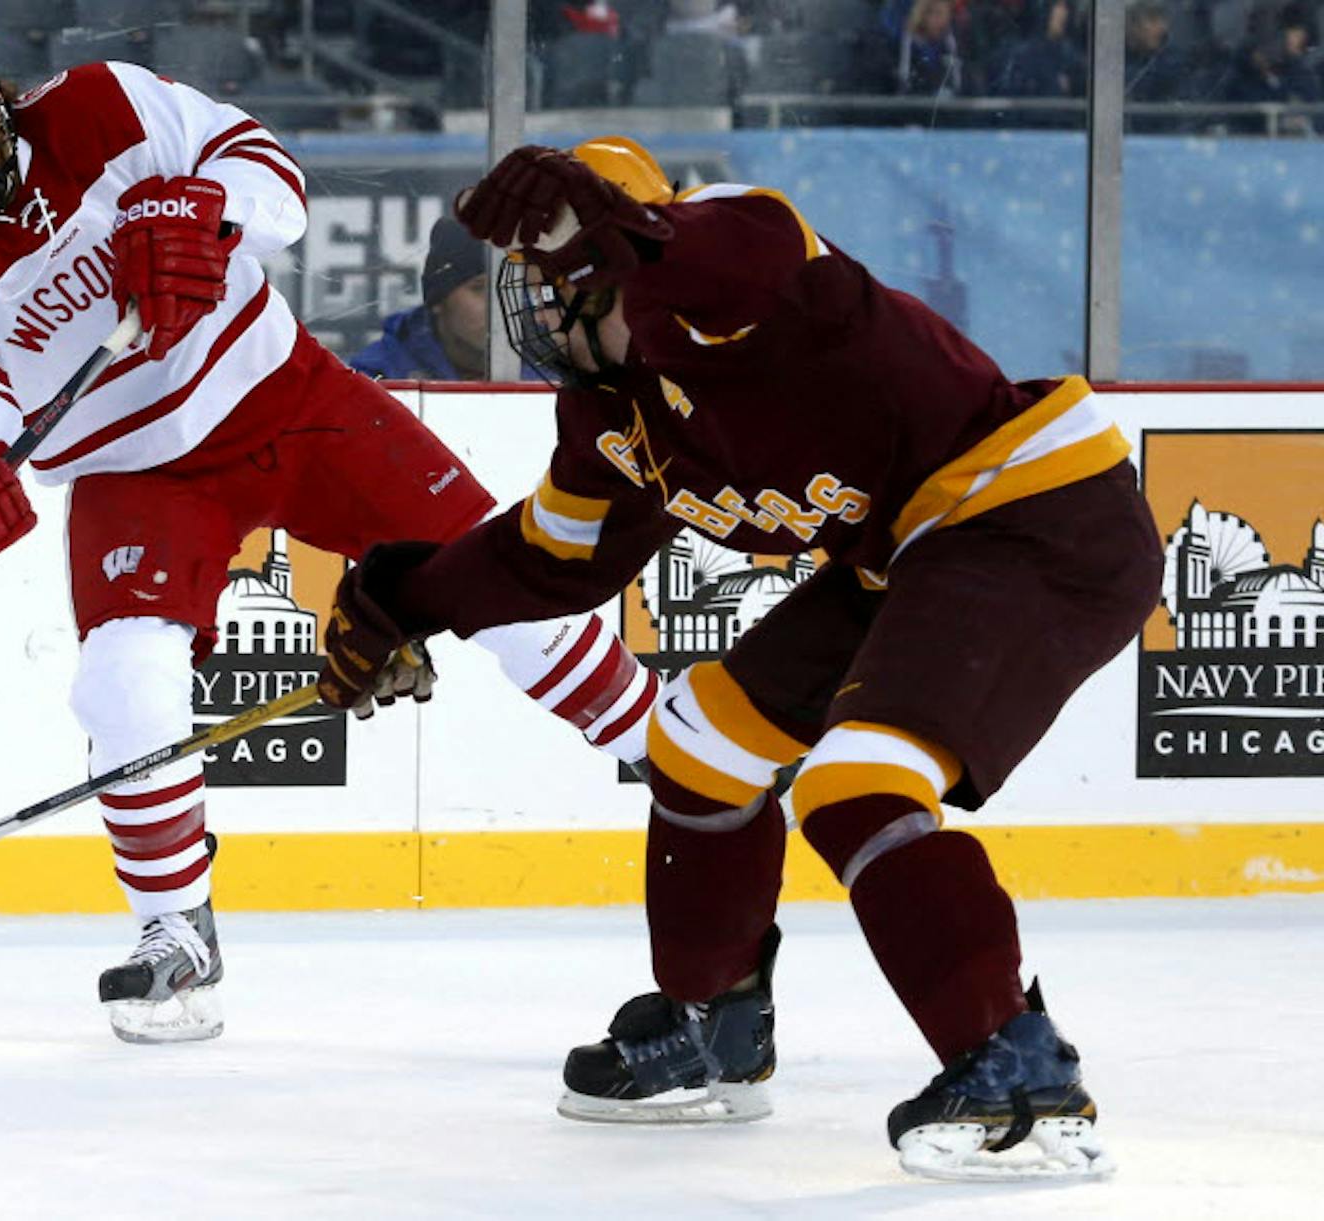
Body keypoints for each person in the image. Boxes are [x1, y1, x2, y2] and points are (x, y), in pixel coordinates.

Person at [315, 137, 1158, 1181]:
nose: (543, 313)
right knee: (699, 741)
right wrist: (407, 594)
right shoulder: (610, 411)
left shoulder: (754, 280)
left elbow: (738, 240)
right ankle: (713, 1027)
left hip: (1036, 517)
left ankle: (1019, 1079)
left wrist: (622, 233)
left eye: (564, 283)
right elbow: (555, 558)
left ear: (622, 262)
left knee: (857, 784)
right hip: (903, 556)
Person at [0, 21, 658, 1045]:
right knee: (122, 677)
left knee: (504, 583)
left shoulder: (102, 106)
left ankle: (670, 747)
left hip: (289, 397)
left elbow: (267, 172)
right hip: (136, 472)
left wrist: (199, 206)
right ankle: (175, 935)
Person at [350, 216, 492, 380]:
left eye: (510, 291)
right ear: (439, 299)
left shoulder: (528, 365)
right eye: (479, 288)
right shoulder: (376, 378)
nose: (499, 306)